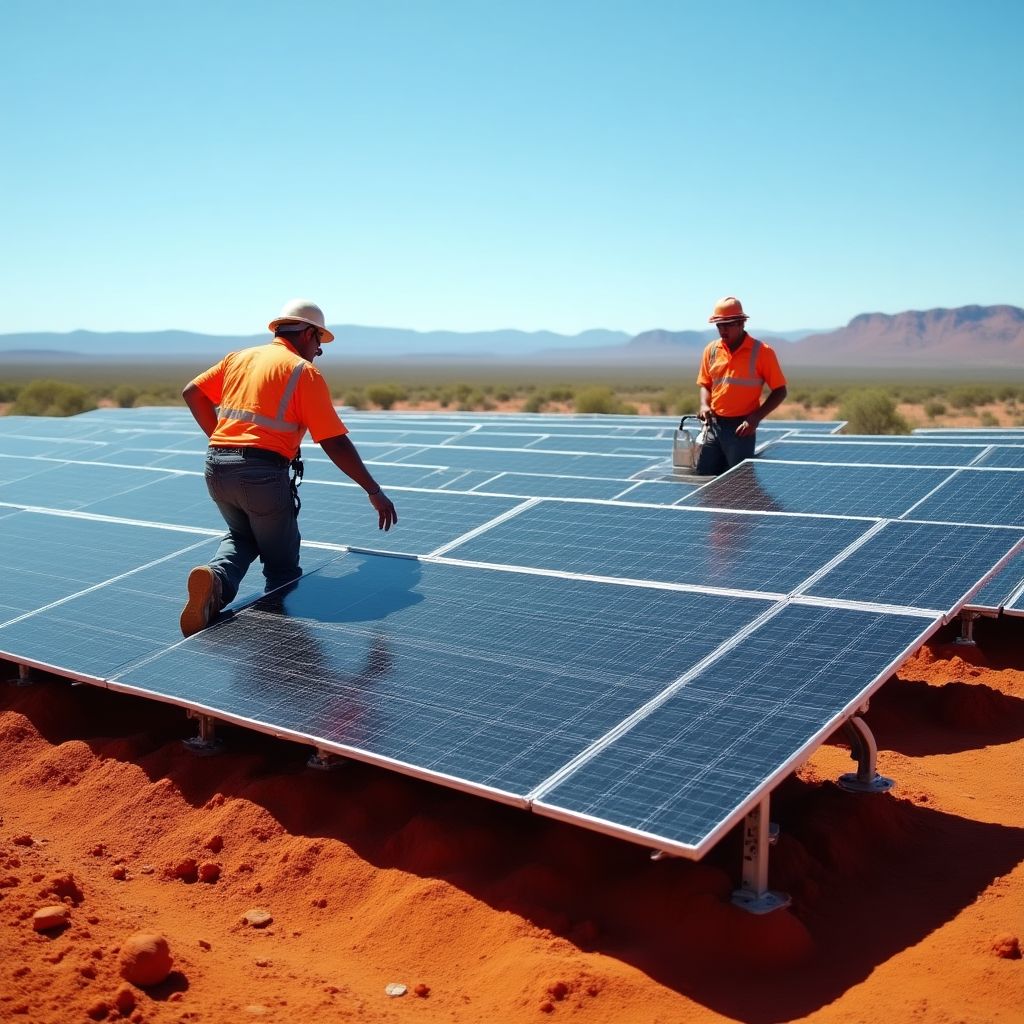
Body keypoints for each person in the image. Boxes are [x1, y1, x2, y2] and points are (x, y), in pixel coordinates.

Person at [178, 299, 398, 636]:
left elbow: (192, 392)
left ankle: (216, 580)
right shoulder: (302, 372)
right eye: (319, 341)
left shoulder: (239, 358)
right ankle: (281, 647)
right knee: (282, 568)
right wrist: (373, 490)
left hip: (216, 466)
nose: (320, 351)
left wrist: (222, 439)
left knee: (243, 535)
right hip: (261, 475)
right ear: (308, 333)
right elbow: (334, 442)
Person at [694, 296, 788, 476]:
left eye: (728, 324)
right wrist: (704, 405)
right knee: (705, 476)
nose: (723, 330)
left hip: (741, 429)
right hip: (713, 425)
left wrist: (755, 418)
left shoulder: (762, 352)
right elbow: (705, 384)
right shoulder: (711, 350)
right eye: (719, 325)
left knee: (738, 482)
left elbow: (780, 391)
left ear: (741, 323)